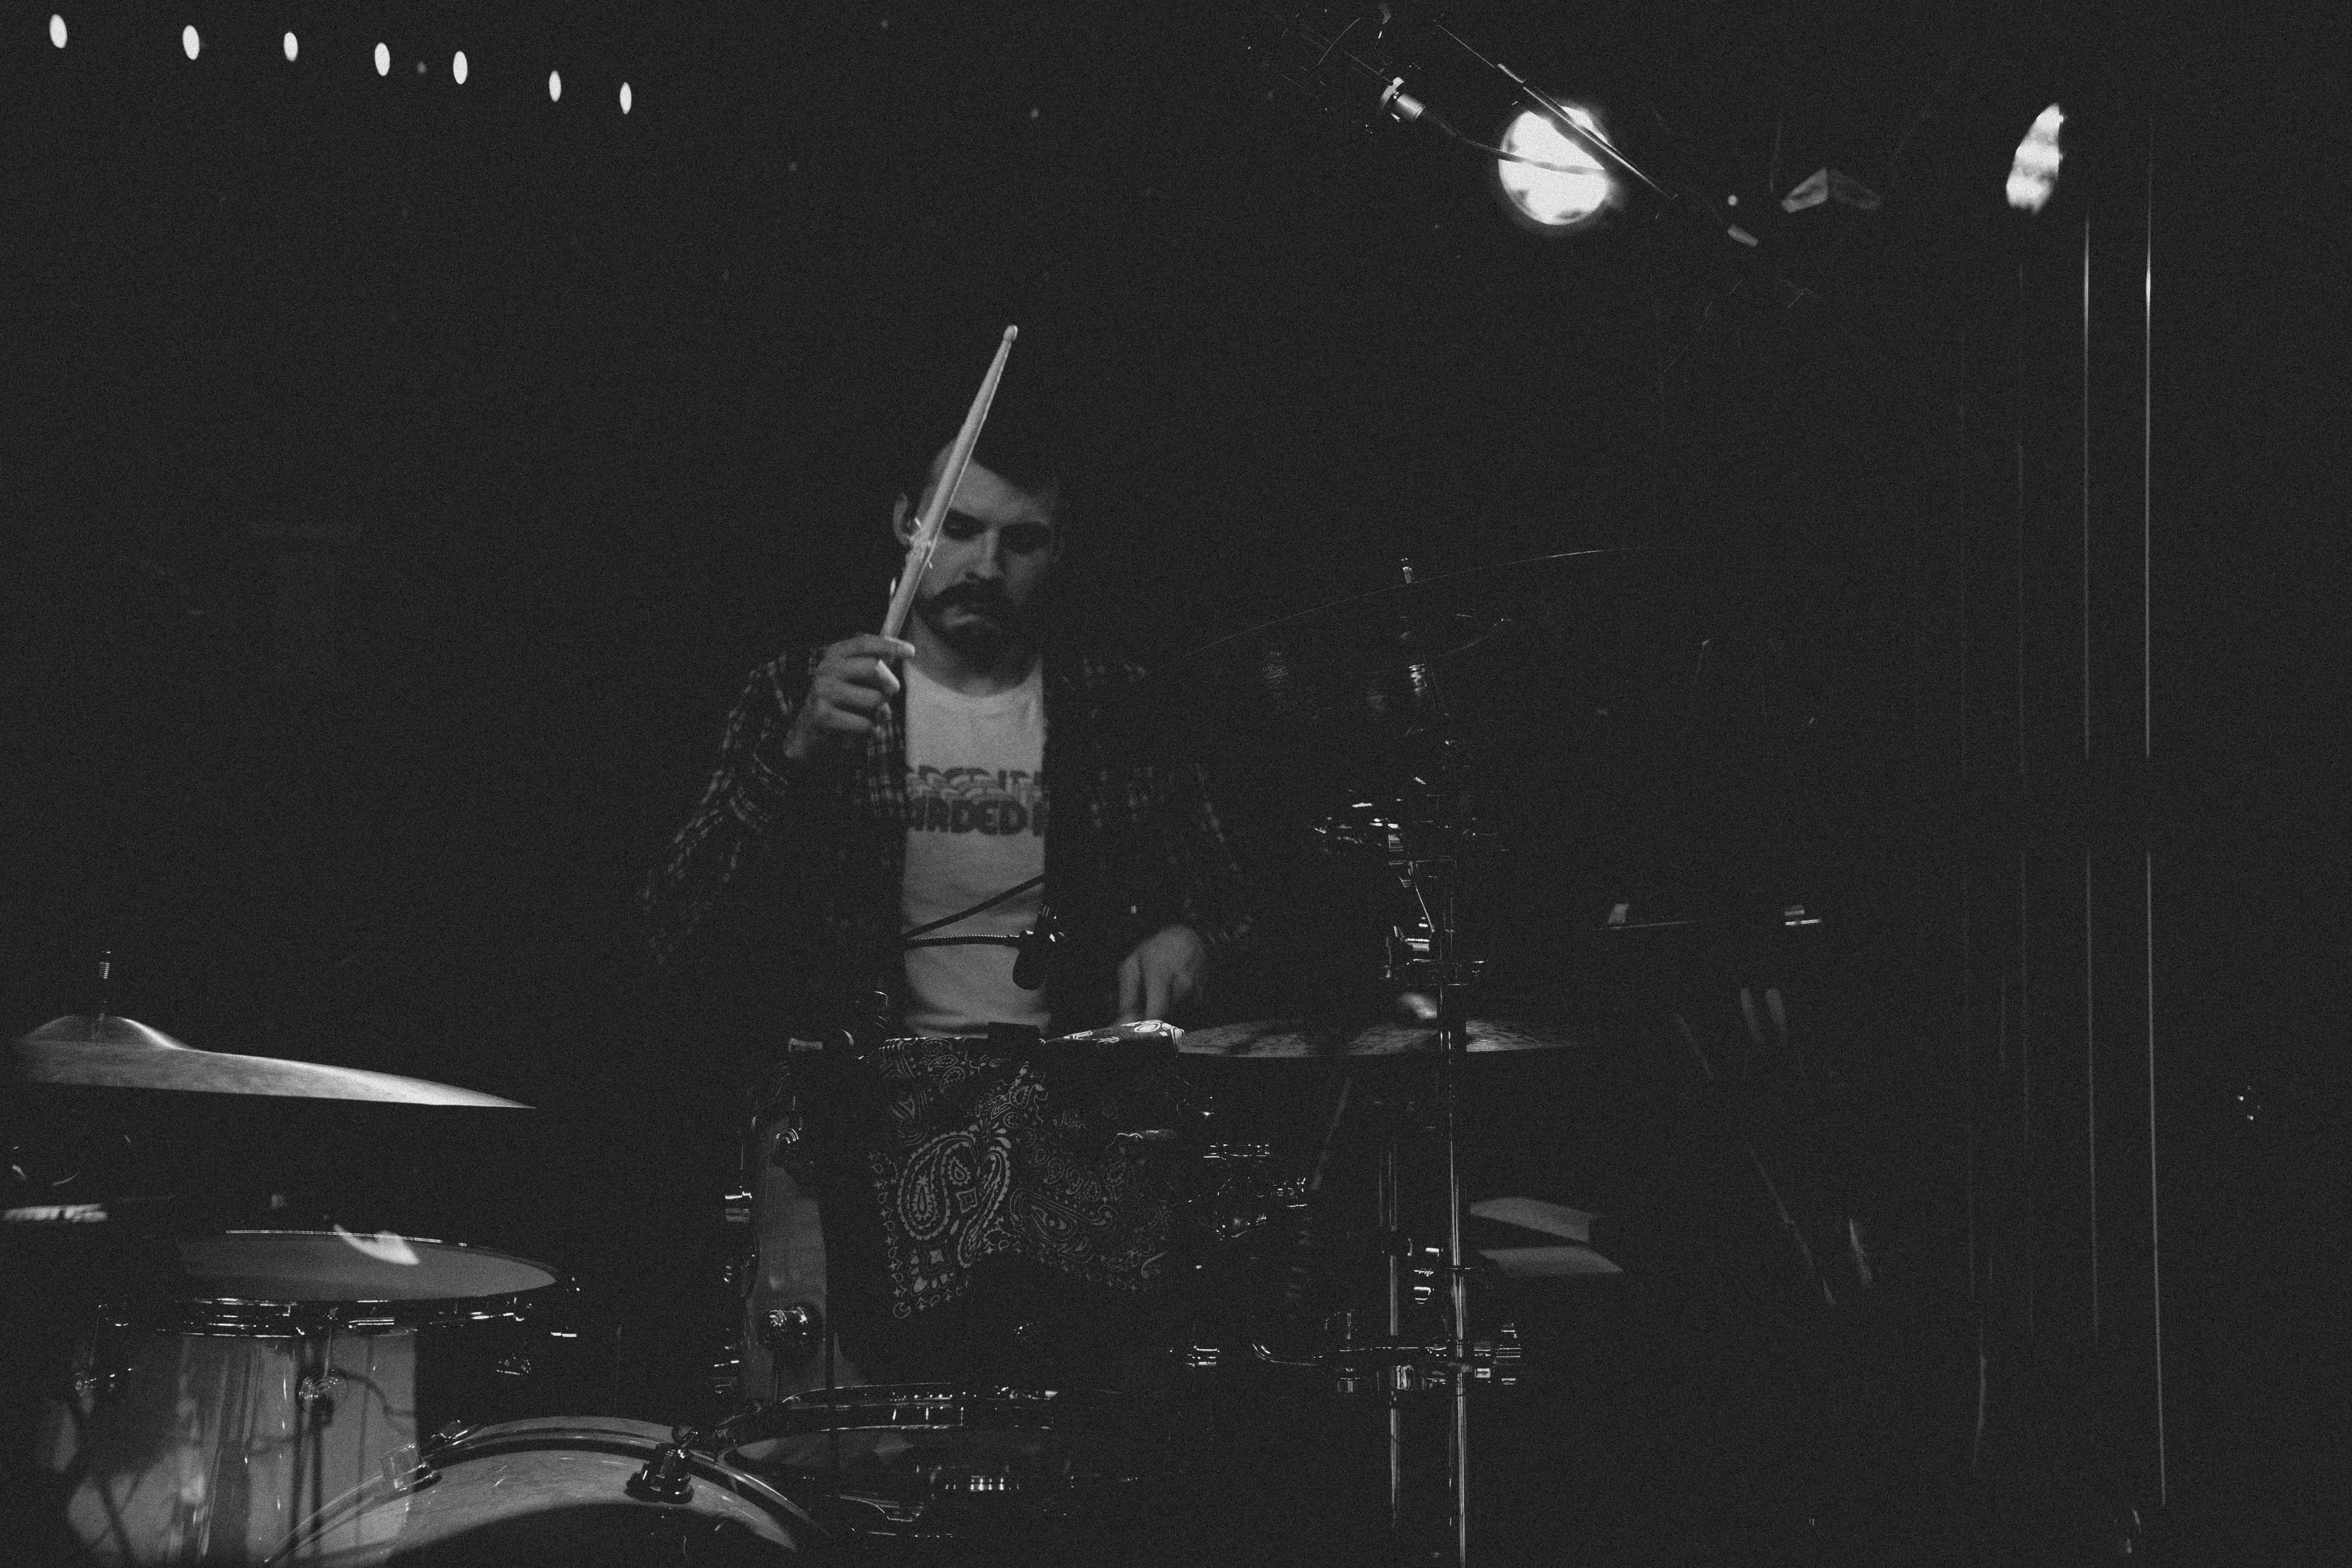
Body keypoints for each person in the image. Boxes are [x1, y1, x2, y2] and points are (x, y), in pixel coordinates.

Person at [639, 407, 1250, 1385]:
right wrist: (793, 759)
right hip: (850, 1136)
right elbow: (678, 930)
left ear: (1063, 550)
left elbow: (1224, 902)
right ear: (904, 523)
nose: (984, 565)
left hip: (1072, 1138)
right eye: (957, 530)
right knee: (846, 1462)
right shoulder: (807, 692)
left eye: (1023, 541)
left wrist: (1191, 938)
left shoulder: (1113, 702)